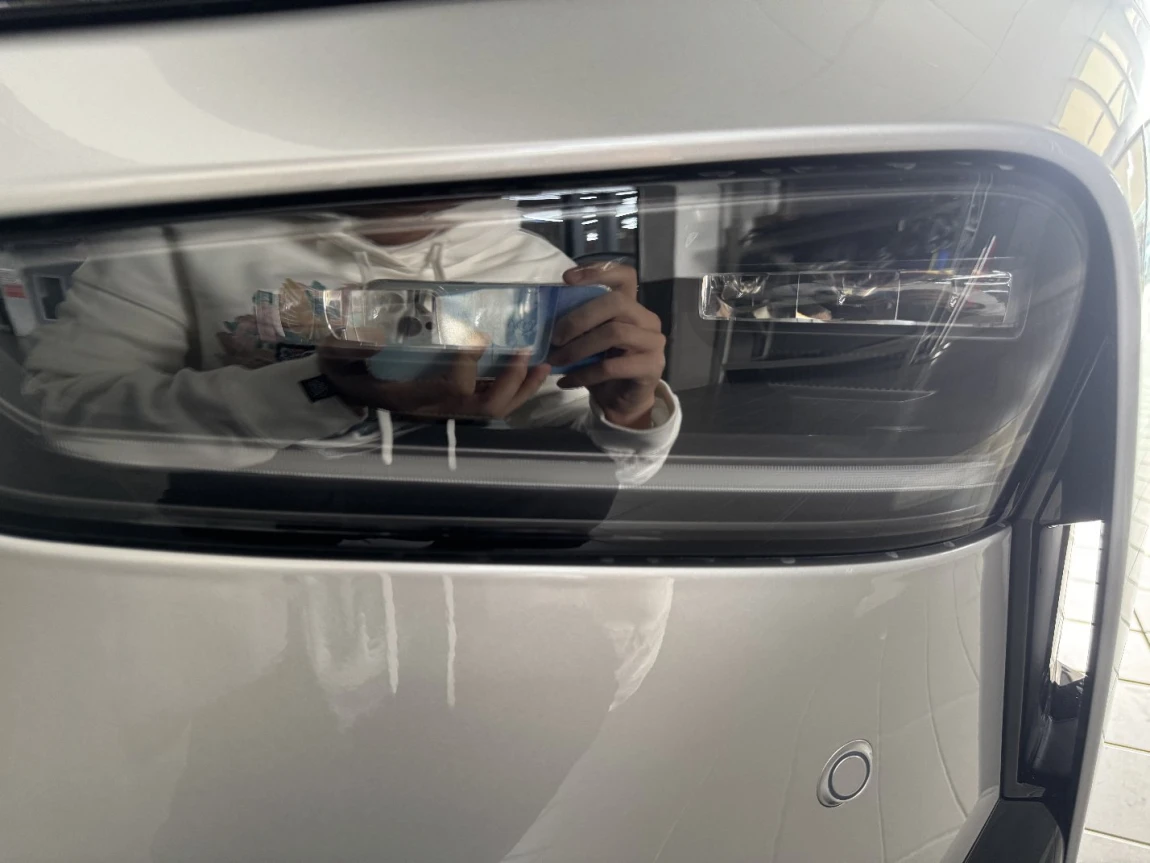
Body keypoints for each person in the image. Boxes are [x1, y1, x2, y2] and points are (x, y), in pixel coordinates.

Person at [22, 197, 680, 484]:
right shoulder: (175, 241)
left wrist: (629, 414)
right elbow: (62, 418)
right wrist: (321, 389)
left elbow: (609, 471)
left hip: (482, 589)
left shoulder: (535, 268)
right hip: (242, 580)